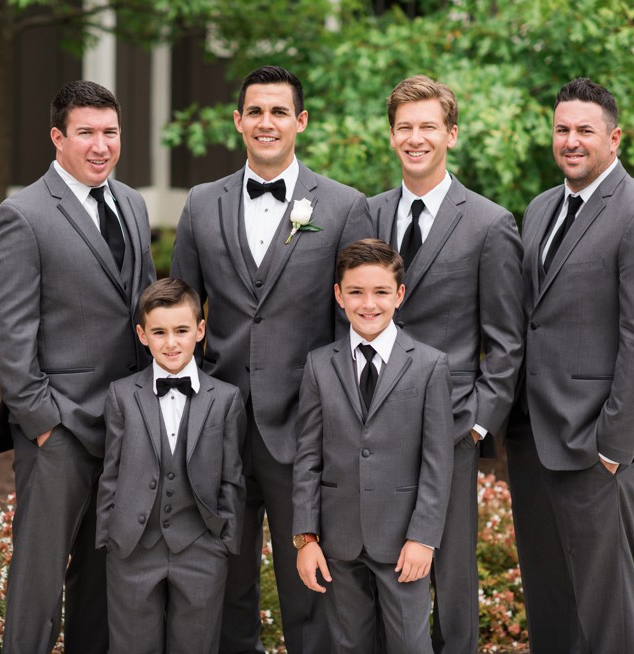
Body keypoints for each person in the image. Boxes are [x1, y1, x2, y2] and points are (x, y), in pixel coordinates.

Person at [170, 64, 373, 653]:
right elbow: (181, 312)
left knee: (309, 584)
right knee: (225, 583)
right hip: (219, 425)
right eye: (255, 112)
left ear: (300, 122)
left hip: (305, 430)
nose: (266, 123)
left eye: (279, 112)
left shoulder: (343, 206)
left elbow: (351, 327)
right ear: (238, 122)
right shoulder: (201, 203)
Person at [506, 77, 634, 654]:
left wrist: (613, 444)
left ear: (615, 138)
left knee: (604, 613)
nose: (571, 141)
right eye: (562, 129)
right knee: (550, 606)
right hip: (535, 438)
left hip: (597, 448)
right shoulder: (540, 209)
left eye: (585, 130)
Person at [0, 80, 156, 653]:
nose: (101, 145)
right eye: (86, 133)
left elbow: (144, 301)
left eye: (111, 132)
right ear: (58, 138)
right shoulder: (23, 214)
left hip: (126, 425)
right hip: (59, 431)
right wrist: (43, 423)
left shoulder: (131, 203)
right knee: (38, 577)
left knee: (100, 580)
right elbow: (6, 330)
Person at [367, 75, 524, 654]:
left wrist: (477, 424)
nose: (416, 138)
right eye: (405, 127)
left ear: (450, 134)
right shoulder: (370, 211)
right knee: (379, 556)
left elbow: (505, 343)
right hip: (371, 420)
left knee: (451, 572)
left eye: (428, 126)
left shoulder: (489, 224)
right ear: (391, 136)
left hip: (451, 424)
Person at [293, 238, 454, 654]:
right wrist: (306, 538)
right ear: (338, 295)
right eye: (356, 292)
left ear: (399, 295)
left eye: (381, 292)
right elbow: (308, 457)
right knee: (349, 645)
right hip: (338, 540)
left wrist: (424, 537)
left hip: (403, 543)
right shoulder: (319, 364)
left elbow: (437, 460)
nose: (369, 304)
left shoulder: (430, 365)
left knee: (410, 645)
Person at [96, 277, 246, 653]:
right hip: (133, 547)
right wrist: (110, 536)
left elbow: (233, 477)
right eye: (159, 332)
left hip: (201, 546)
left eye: (181, 330)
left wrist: (223, 542)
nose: (171, 342)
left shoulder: (225, 399)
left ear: (200, 330)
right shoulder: (121, 394)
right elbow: (110, 471)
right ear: (142, 335)